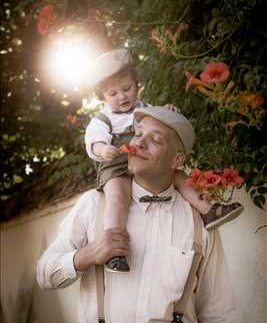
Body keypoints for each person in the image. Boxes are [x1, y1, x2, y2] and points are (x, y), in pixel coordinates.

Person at [36, 106, 240, 323]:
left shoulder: (198, 222)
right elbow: (44, 274)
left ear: (177, 160)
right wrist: (88, 255)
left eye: (155, 139)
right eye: (137, 133)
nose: (139, 143)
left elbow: (218, 311)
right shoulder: (94, 205)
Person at [85, 48, 243, 272]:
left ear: (137, 85)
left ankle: (207, 210)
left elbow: (161, 122)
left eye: (127, 88)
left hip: (144, 159)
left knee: (179, 176)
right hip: (117, 164)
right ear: (103, 97)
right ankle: (114, 249)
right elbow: (93, 141)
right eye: (112, 94)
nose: (121, 96)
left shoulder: (146, 109)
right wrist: (102, 149)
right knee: (117, 196)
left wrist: (168, 112)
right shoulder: (102, 119)